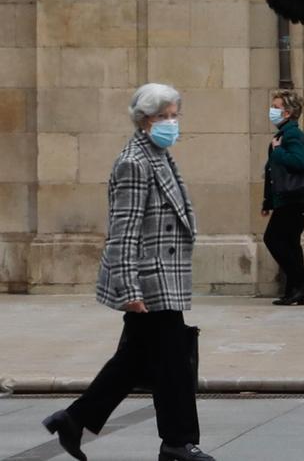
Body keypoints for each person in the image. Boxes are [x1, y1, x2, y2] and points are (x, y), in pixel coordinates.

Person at [42, 83, 214, 461]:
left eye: (174, 115)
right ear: (144, 120)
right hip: (149, 279)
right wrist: (129, 288)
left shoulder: (158, 153)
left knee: (138, 359)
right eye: (162, 116)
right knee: (172, 362)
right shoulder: (134, 161)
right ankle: (178, 442)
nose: (171, 122)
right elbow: (124, 230)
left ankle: (74, 419)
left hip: (162, 274)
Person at [261, 89, 304, 306]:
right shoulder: (283, 135)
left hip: (294, 199)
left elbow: (299, 162)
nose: (272, 111)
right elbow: (272, 173)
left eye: (276, 107)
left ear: (288, 113)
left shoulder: (292, 134)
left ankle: (303, 278)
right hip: (289, 199)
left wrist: (278, 152)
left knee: (273, 239)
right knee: (291, 243)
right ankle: (295, 292)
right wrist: (268, 201)